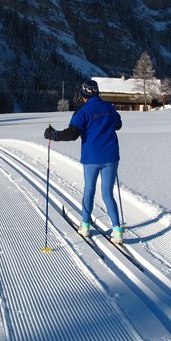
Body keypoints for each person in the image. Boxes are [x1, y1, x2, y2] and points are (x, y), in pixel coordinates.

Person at [44, 79, 124, 244]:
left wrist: (53, 134)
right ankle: (117, 232)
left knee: (89, 191)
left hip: (92, 158)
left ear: (83, 95)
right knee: (108, 193)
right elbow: (118, 125)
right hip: (111, 157)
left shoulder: (83, 112)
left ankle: (86, 227)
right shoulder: (109, 107)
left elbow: (72, 134)